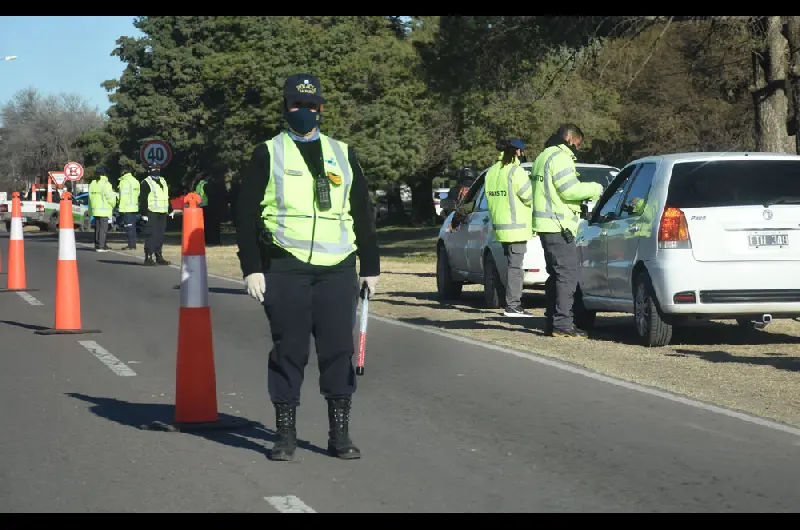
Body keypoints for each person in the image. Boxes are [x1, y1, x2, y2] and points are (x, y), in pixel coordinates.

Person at [235, 72, 380, 462]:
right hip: (286, 266)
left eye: (312, 106)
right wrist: (252, 267)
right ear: (286, 108)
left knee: (338, 350)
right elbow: (244, 213)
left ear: (321, 108)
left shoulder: (343, 153)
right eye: (297, 106)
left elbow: (362, 213)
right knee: (290, 350)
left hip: (337, 268)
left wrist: (371, 266)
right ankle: (285, 435)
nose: (305, 112)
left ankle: (339, 434)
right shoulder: (268, 153)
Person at [530, 124, 604, 338]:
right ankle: (562, 324)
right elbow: (569, 190)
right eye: (578, 143)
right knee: (568, 275)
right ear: (571, 139)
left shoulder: (543, 157)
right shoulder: (561, 157)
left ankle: (552, 321)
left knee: (556, 275)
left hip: (546, 225)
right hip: (558, 225)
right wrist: (594, 189)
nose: (578, 148)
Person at [484, 138, 534, 317]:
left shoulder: (491, 172)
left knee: (510, 266)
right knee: (516, 268)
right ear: (518, 152)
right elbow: (529, 197)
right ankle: (513, 306)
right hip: (517, 227)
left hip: (500, 227)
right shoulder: (516, 171)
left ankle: (511, 303)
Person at [138, 165, 171, 266]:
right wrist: (143, 213)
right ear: (149, 170)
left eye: (158, 169)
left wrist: (170, 209)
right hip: (151, 211)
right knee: (151, 234)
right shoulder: (146, 182)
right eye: (154, 169)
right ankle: (148, 257)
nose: (156, 171)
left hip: (163, 211)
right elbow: (143, 199)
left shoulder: (163, 180)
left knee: (160, 235)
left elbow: (166, 196)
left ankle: (158, 256)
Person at [87, 167, 118, 253]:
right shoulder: (106, 184)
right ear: (105, 174)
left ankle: (97, 244)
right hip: (104, 210)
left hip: (95, 210)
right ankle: (101, 246)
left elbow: (90, 197)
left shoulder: (92, 183)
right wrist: (114, 204)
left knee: (97, 228)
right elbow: (111, 198)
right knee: (103, 229)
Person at [117, 169, 140, 250]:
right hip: (134, 207)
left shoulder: (124, 182)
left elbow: (123, 196)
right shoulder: (135, 181)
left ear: (123, 173)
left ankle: (131, 245)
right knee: (132, 227)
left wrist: (121, 209)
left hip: (127, 207)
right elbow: (138, 193)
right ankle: (133, 244)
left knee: (129, 227)